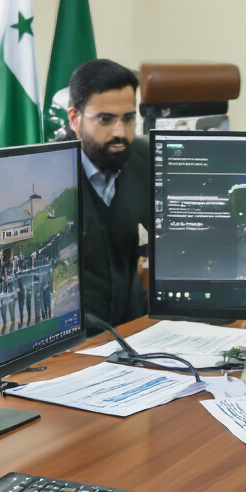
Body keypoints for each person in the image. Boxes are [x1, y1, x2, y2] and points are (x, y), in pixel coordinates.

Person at [67, 59, 149, 326]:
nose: (120, 133)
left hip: (134, 329)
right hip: (75, 343)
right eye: (105, 119)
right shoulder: (52, 176)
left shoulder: (143, 158)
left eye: (128, 119)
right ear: (75, 119)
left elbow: (176, 237)